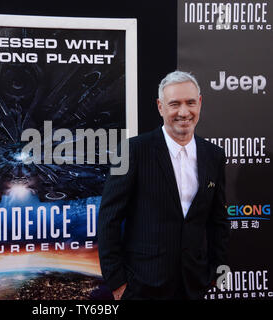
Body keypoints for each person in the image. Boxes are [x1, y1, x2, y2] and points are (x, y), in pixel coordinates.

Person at [97, 70, 230, 300]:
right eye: (174, 104)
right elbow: (109, 219)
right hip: (142, 286)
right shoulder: (132, 151)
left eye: (190, 103)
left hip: (194, 284)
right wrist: (117, 283)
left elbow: (218, 221)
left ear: (200, 103)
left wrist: (215, 272)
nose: (183, 112)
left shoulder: (214, 156)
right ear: (160, 107)